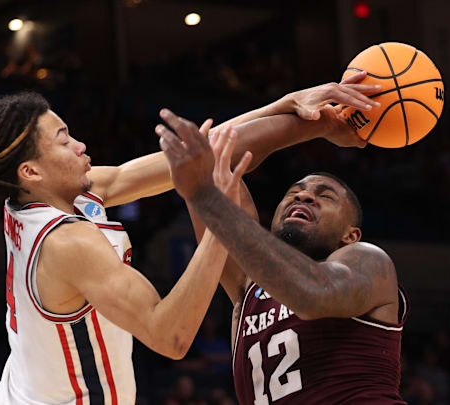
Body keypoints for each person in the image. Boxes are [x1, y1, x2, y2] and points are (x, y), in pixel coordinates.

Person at [0, 72, 381, 405]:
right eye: (64, 140)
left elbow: (187, 157)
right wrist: (216, 214)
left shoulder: (46, 191)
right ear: (31, 169)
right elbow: (171, 336)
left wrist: (296, 115)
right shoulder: (65, 243)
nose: (81, 145)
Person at [157, 109, 408, 404]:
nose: (303, 196)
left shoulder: (370, 262)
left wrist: (206, 195)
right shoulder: (248, 285)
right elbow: (215, 161)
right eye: (294, 193)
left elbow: (313, 294)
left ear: (350, 235)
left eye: (325, 196)